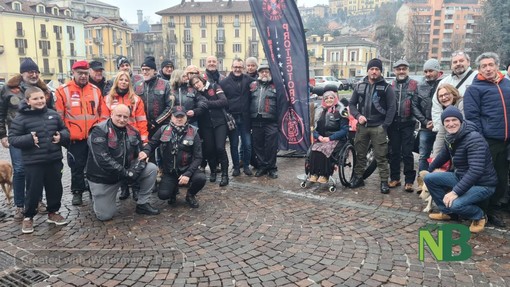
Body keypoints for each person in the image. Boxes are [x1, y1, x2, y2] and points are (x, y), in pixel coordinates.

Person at [424, 106, 497, 233]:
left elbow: (476, 171)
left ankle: (479, 216)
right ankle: (448, 213)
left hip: (482, 184)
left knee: (455, 203)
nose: (451, 124)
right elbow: (443, 155)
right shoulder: (451, 136)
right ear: (443, 123)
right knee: (429, 178)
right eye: (447, 121)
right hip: (461, 177)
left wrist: (455, 192)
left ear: (461, 121)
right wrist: (428, 170)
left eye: (454, 120)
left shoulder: (474, 139)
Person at [9, 86, 70, 234]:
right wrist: (29, 139)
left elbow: (65, 131)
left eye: (41, 97)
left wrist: (61, 136)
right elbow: (13, 139)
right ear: (28, 101)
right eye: (35, 99)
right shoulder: (21, 118)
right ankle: (28, 217)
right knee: (33, 190)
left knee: (55, 188)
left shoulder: (53, 114)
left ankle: (53, 212)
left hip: (54, 159)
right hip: (33, 162)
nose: (40, 101)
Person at [86, 104, 160, 221]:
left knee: (151, 168)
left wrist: (134, 171)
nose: (122, 119)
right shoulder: (98, 131)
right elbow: (103, 159)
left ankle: (142, 203)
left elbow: (140, 156)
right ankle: (96, 194)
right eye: (118, 116)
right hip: (104, 178)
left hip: (125, 172)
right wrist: (126, 173)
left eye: (125, 117)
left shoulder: (134, 131)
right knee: (104, 216)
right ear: (111, 115)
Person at [0, 57, 52, 218]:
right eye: (30, 71)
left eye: (36, 71)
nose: (34, 74)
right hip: (17, 135)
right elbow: (1, 113)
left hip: (40, 135)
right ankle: (20, 205)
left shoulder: (45, 90)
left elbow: (52, 112)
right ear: (22, 73)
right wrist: (2, 135)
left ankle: (38, 200)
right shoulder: (9, 89)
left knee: (38, 168)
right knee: (20, 170)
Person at [464, 52, 510, 228]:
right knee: (485, 179)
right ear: (479, 69)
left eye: (491, 65)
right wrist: (480, 140)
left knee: (501, 180)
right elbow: (472, 118)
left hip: (506, 142)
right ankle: (480, 212)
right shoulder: (475, 89)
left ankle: (492, 210)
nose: (488, 68)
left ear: (497, 66)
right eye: (484, 66)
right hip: (488, 141)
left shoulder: (507, 85)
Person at [55, 60, 102, 206]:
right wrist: (66, 136)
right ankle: (77, 192)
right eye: (80, 73)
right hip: (74, 138)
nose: (83, 76)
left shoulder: (95, 90)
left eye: (85, 73)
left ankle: (94, 190)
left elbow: (101, 113)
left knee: (95, 165)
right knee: (76, 167)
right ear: (73, 73)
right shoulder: (62, 90)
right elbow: (59, 117)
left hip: (93, 136)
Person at [141, 106, 206, 208]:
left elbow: (198, 157)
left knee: (201, 178)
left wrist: (188, 174)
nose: (179, 119)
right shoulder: (163, 130)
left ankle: (190, 195)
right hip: (170, 171)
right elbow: (152, 144)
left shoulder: (194, 132)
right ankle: (173, 190)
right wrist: (145, 152)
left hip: (187, 169)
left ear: (186, 117)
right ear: (171, 117)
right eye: (176, 116)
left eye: (182, 116)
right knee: (163, 195)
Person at [348, 58, 396, 194]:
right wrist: (358, 116)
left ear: (380, 71)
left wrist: (385, 125)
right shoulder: (359, 86)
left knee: (381, 156)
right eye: (372, 69)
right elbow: (352, 104)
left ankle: (384, 182)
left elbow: (392, 108)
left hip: (379, 127)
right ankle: (358, 178)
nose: (374, 72)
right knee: (360, 154)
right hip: (363, 126)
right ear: (368, 70)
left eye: (377, 69)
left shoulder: (386, 87)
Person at [190, 74, 230, 186]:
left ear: (202, 80)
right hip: (205, 125)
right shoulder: (196, 94)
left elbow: (223, 101)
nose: (196, 85)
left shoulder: (214, 86)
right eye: (194, 85)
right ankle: (213, 171)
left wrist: (207, 104)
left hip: (220, 123)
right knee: (209, 149)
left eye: (197, 82)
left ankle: (225, 175)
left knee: (220, 148)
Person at [388, 60, 418, 192]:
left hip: (408, 122)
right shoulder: (390, 85)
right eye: (399, 69)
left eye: (404, 69)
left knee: (407, 152)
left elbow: (417, 103)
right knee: (394, 152)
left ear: (407, 70)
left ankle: (409, 181)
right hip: (393, 123)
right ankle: (395, 178)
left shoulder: (414, 85)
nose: (401, 71)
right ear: (394, 70)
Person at [431, 51, 477, 139]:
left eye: (461, 61)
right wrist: (439, 128)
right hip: (448, 129)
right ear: (451, 65)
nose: (458, 64)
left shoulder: (477, 78)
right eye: (455, 62)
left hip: (471, 129)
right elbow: (436, 106)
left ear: (468, 62)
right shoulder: (444, 81)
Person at [220, 58, 253, 176]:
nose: (237, 69)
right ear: (232, 67)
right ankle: (236, 167)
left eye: (240, 67)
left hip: (245, 118)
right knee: (234, 145)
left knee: (247, 144)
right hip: (232, 118)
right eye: (235, 67)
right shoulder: (224, 83)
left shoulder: (249, 80)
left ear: (243, 68)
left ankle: (246, 166)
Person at [307, 91, 349, 183]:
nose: (329, 100)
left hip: (337, 139)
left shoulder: (342, 110)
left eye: (331, 98)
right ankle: (314, 173)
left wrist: (330, 138)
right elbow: (313, 129)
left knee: (325, 149)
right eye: (326, 98)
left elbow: (345, 130)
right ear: (323, 100)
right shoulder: (320, 110)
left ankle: (325, 174)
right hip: (322, 139)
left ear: (335, 99)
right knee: (314, 149)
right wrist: (318, 137)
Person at [412, 59, 443, 177]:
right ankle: (422, 182)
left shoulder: (444, 84)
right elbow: (414, 105)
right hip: (426, 127)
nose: (428, 74)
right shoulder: (420, 86)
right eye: (425, 71)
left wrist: (438, 121)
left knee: (441, 155)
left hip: (441, 126)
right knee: (423, 155)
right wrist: (424, 121)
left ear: (437, 71)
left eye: (431, 71)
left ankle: (437, 180)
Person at [249, 64, 281, 179]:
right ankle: (262, 166)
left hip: (271, 121)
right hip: (256, 121)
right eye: (262, 72)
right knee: (258, 145)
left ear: (270, 73)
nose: (264, 74)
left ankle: (272, 167)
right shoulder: (252, 86)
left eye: (266, 72)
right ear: (258, 74)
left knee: (271, 146)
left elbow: (281, 104)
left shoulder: (276, 85)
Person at [133, 56, 173, 140]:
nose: (144, 72)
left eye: (147, 69)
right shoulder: (137, 85)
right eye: (143, 69)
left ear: (154, 70)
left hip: (161, 125)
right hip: (143, 125)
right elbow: (133, 105)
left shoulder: (165, 84)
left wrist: (156, 122)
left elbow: (170, 107)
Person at [431, 84, 464, 156]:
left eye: (446, 94)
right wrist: (434, 157)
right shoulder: (446, 111)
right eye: (440, 96)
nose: (444, 97)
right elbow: (441, 134)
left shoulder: (462, 104)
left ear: (453, 93)